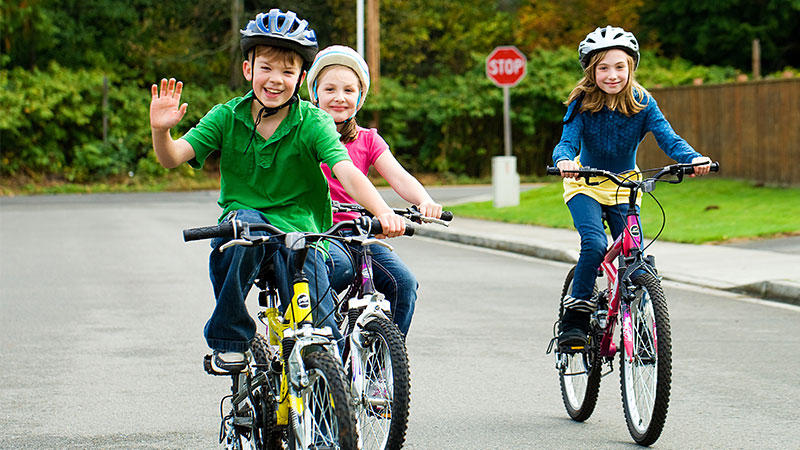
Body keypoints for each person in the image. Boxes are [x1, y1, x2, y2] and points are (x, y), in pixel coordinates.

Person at [148, 9, 405, 371]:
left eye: (287, 71)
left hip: (301, 233)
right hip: (247, 228)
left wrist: (382, 210)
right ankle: (230, 337)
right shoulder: (226, 117)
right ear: (247, 70)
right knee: (244, 230)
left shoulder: (313, 121)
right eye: (266, 67)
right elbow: (173, 157)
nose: (275, 80)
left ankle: (325, 405)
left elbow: (345, 171)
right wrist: (162, 132)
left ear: (301, 78)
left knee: (323, 338)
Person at [552, 26, 711, 348]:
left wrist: (693, 158)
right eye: (603, 67)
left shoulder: (642, 102)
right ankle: (575, 320)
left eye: (620, 66)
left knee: (634, 253)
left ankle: (636, 316)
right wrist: (565, 161)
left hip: (626, 185)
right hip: (586, 185)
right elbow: (566, 143)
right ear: (591, 70)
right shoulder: (582, 102)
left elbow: (668, 138)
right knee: (595, 245)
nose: (612, 75)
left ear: (631, 68)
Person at [305, 45, 442, 336]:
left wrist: (424, 200)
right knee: (337, 270)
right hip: (320, 233)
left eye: (348, 90)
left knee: (403, 284)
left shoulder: (368, 140)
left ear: (360, 98)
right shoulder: (305, 134)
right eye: (329, 89)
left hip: (361, 231)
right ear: (315, 93)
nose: (339, 97)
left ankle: (385, 364)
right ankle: (328, 353)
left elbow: (399, 176)